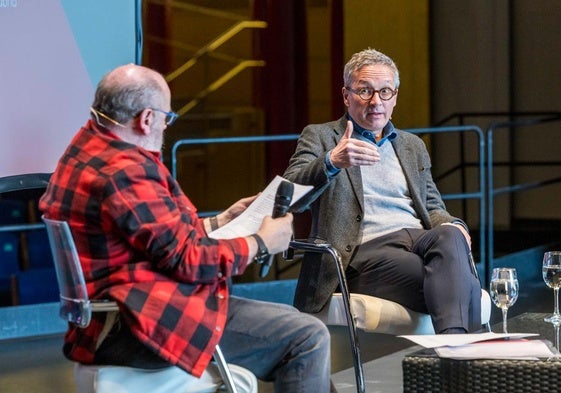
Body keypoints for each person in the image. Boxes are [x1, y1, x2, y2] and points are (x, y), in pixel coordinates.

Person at [39, 64, 333, 392]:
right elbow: (188, 260)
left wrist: (219, 222)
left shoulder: (83, 151)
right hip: (139, 324)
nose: (166, 126)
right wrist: (261, 243)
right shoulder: (125, 171)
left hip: (107, 320)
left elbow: (151, 236)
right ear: (146, 118)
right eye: (167, 118)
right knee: (308, 337)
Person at [283, 48, 482, 334]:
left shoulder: (412, 145)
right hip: (364, 252)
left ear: (395, 96)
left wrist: (454, 224)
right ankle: (457, 357)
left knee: (451, 235)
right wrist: (332, 162)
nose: (376, 101)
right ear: (346, 95)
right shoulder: (322, 137)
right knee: (458, 280)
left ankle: (452, 353)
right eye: (365, 91)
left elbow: (433, 206)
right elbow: (290, 196)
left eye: (385, 91)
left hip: (419, 241)